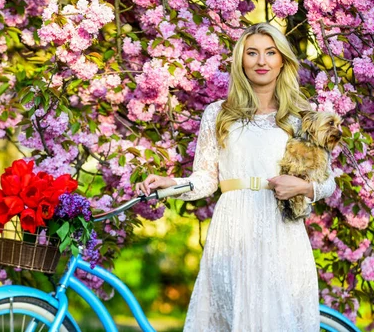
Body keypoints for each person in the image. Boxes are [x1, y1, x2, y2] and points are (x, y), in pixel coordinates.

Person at [135, 23, 336, 331]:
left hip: (281, 232)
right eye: (252, 53)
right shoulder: (219, 113)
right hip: (232, 231)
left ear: (282, 60)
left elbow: (327, 183)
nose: (261, 61)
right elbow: (206, 179)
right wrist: (172, 184)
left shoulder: (300, 118)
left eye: (270, 53)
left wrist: (303, 186)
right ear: (241, 60)